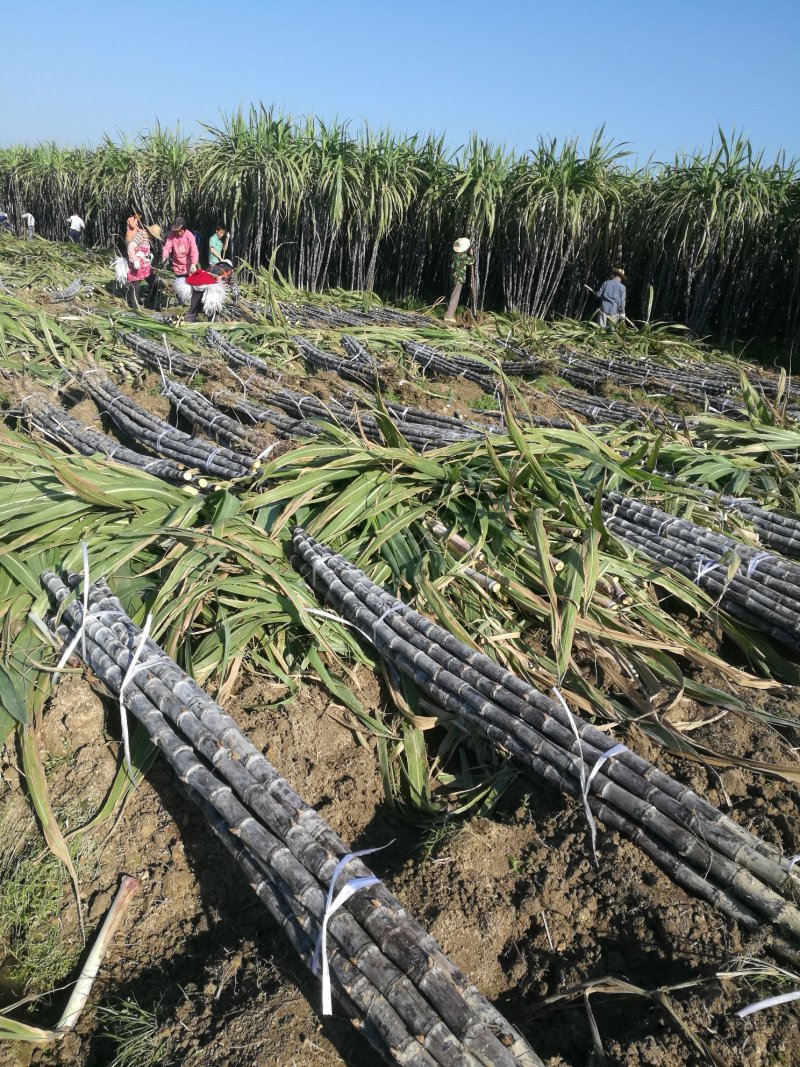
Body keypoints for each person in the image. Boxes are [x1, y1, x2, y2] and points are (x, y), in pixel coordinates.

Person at [119, 223, 162, 309]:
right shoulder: (141, 235)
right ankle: (134, 308)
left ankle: (149, 301)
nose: (153, 237)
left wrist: (149, 255)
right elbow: (131, 246)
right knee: (136, 287)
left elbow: (144, 251)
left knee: (154, 281)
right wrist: (134, 260)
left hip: (145, 266)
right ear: (150, 232)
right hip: (136, 265)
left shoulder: (148, 239)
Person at [444, 237, 473, 324]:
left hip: (453, 277)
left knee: (453, 295)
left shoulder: (454, 255)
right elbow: (471, 261)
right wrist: (471, 254)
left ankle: (449, 315)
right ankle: (448, 316)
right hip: (459, 279)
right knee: (455, 297)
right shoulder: (463, 256)